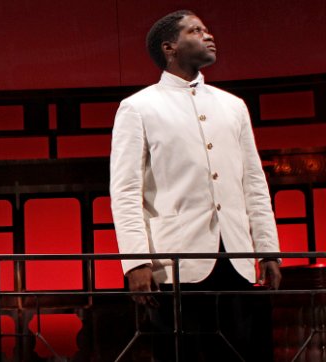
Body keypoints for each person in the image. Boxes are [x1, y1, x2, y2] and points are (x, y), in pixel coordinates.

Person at [109, 10, 282, 361]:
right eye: (196, 30)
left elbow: (254, 182)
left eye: (206, 28)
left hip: (236, 256)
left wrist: (268, 250)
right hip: (177, 260)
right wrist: (136, 262)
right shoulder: (138, 107)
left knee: (241, 352)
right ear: (170, 47)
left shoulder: (233, 106)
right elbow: (126, 190)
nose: (208, 35)